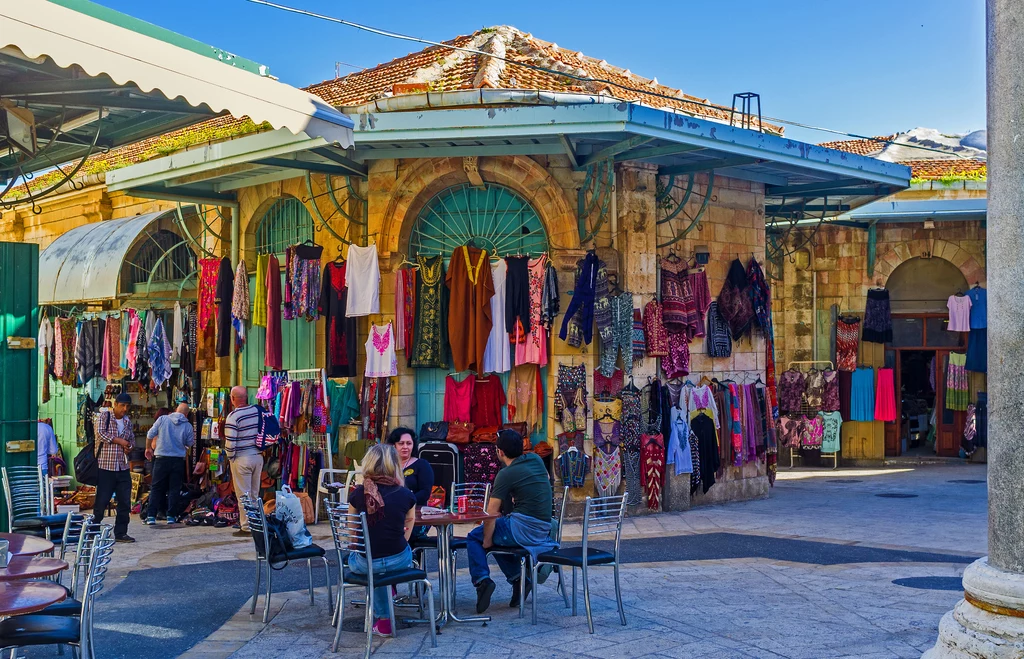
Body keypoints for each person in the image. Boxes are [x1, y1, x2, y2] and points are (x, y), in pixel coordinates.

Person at [466, 429, 555, 613]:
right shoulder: (536, 460)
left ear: (499, 452)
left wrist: (487, 541)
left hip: (522, 529)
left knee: (476, 537)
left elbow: (491, 512)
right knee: (498, 532)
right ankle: (519, 581)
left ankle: (482, 581)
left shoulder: (506, 474)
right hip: (544, 527)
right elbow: (544, 479)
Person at [347, 443, 417, 638]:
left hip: (366, 562)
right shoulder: (406, 495)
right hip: (399, 559)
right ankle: (385, 617)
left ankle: (384, 618)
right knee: (386, 562)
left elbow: (353, 532)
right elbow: (408, 529)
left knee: (370, 561)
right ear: (393, 465)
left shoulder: (357, 494)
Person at [94, 393, 137, 543]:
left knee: (125, 501)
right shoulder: (105, 417)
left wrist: (129, 447)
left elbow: (131, 440)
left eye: (127, 406)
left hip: (122, 466)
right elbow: (100, 434)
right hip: (106, 466)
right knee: (102, 500)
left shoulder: (127, 422)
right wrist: (119, 441)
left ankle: (121, 532)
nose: (124, 409)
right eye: (122, 406)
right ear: (116, 404)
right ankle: (93, 531)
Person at [145, 403, 195, 525]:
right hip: (177, 460)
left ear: (175, 410)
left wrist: (148, 448)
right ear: (186, 414)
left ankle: (151, 516)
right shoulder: (188, 425)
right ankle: (171, 516)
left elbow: (150, 434)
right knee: (174, 489)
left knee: (156, 487)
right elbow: (190, 443)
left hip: (161, 458)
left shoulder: (163, 419)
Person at [224, 386, 263, 537]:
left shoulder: (233, 417)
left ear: (233, 399)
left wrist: (230, 457)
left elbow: (231, 443)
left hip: (241, 458)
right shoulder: (257, 411)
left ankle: (247, 526)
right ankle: (257, 523)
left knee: (244, 495)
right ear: (246, 397)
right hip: (257, 456)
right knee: (254, 493)